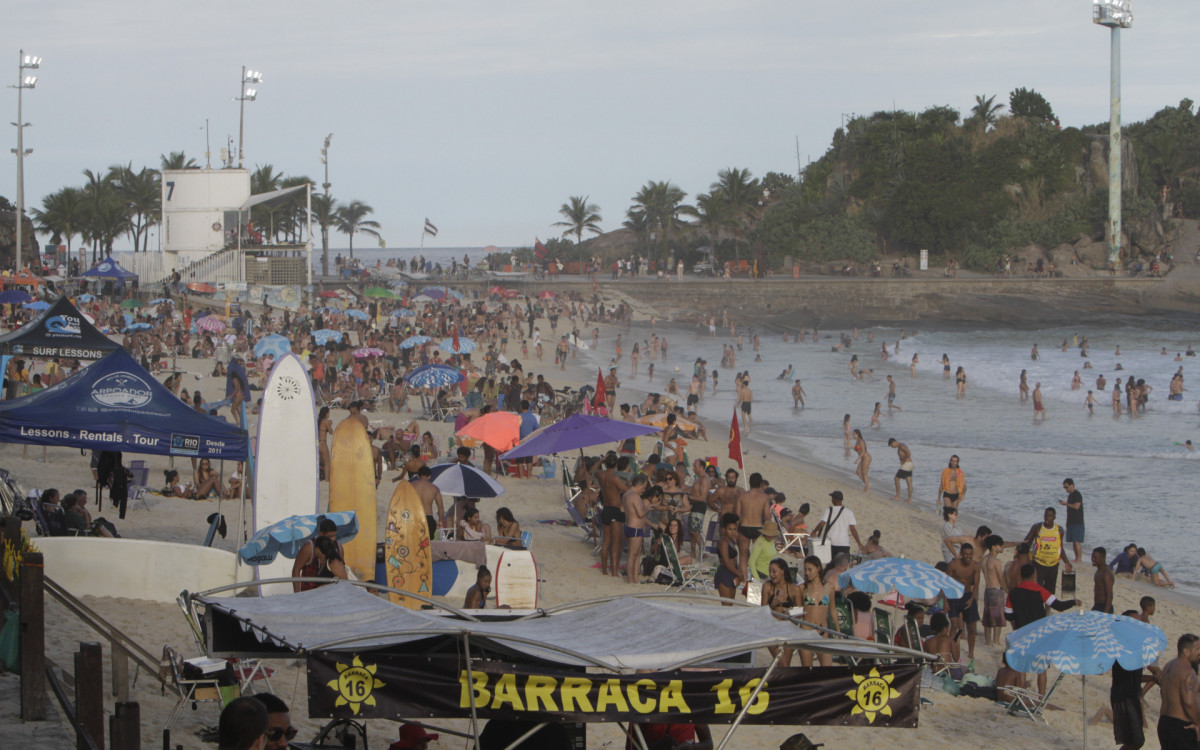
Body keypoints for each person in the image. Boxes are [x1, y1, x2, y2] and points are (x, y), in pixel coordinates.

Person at [1004, 563, 1080, 695]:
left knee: (1022, 666)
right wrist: (1074, 602)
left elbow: (1008, 614)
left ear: (1021, 575)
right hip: (1039, 634)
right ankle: (1041, 697)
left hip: (1022, 632)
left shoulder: (1013, 592)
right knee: (1042, 668)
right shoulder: (1039, 590)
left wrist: (1016, 622)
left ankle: (1020, 694)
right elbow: (1059, 606)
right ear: (1034, 575)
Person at [1157, 634, 1200, 750]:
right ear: (1186, 651)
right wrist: (1198, 723)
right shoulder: (1187, 672)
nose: (1199, 653)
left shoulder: (1168, 666)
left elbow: (1163, 692)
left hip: (1164, 722)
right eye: (1197, 650)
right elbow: (1189, 703)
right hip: (1181, 726)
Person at [761, 557, 803, 666]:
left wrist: (790, 613)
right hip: (771, 631)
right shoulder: (768, 587)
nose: (771, 574)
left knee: (785, 666)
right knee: (782, 664)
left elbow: (800, 613)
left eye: (774, 571)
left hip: (788, 631)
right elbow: (762, 613)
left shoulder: (794, 589)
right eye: (770, 571)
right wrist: (773, 605)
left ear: (783, 571)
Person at [1023, 507, 1073, 595]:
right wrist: (1027, 558)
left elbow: (1060, 548)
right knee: (1037, 589)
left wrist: (1066, 562)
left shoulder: (1059, 530)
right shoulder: (1037, 527)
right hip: (1039, 563)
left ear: (1054, 517)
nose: (1047, 518)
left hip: (1053, 564)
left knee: (1050, 591)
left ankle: (1048, 608)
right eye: (1045, 516)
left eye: (1050, 516)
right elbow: (1027, 543)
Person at [946, 542, 981, 660]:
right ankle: (950, 648)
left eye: (970, 554)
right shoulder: (954, 564)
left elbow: (976, 585)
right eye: (965, 554)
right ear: (961, 553)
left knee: (972, 628)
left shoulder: (976, 566)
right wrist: (945, 601)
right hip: (954, 596)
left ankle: (971, 652)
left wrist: (971, 600)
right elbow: (946, 583)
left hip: (967, 595)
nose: (968, 556)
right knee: (954, 625)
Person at [734, 473, 771, 582]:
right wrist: (770, 531)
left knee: (743, 555)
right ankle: (756, 578)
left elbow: (737, 516)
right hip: (758, 528)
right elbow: (767, 516)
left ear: (749, 482)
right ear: (760, 484)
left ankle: (744, 579)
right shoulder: (764, 497)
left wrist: (735, 530)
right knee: (758, 556)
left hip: (744, 527)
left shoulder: (742, 496)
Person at [798, 555, 833, 667]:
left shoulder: (829, 587)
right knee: (808, 670)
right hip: (806, 632)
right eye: (806, 569)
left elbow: (833, 611)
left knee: (827, 669)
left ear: (818, 568)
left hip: (823, 632)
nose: (807, 573)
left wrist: (838, 632)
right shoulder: (802, 588)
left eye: (810, 569)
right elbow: (798, 611)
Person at [292, 518, 343, 592]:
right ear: (321, 534)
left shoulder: (338, 547)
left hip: (331, 596)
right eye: (330, 536)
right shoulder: (309, 547)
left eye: (334, 535)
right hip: (310, 596)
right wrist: (297, 595)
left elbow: (343, 575)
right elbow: (296, 570)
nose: (333, 539)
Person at [810, 490, 864, 558]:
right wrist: (859, 543)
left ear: (834, 499)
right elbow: (853, 530)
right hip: (844, 544)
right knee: (842, 565)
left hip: (831, 543)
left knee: (831, 564)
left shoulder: (829, 510)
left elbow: (822, 523)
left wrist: (814, 531)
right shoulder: (849, 512)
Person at [623, 475, 652, 584]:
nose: (644, 490)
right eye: (643, 487)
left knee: (636, 554)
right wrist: (647, 508)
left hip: (631, 525)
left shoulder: (626, 494)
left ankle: (635, 577)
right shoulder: (634, 496)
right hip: (634, 527)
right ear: (639, 485)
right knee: (633, 555)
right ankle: (631, 579)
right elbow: (640, 514)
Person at [980, 534, 1007, 647]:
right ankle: (995, 641)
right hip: (996, 590)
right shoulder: (996, 561)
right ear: (994, 546)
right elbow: (1000, 577)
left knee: (987, 617)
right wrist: (1006, 589)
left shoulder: (984, 559)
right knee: (997, 618)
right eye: (1000, 545)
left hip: (987, 589)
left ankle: (987, 641)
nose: (1002, 547)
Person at [409, 466, 445, 540]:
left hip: (415, 516)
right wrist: (440, 519)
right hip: (428, 517)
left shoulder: (411, 485)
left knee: (414, 542)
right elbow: (440, 506)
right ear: (429, 476)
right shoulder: (434, 488)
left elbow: (405, 501)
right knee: (428, 543)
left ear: (418, 476)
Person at [713, 513, 741, 604]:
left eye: (734, 529)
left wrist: (737, 575)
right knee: (727, 605)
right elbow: (727, 562)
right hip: (724, 573)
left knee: (730, 604)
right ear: (724, 529)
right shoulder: (723, 542)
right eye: (729, 529)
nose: (732, 532)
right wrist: (739, 574)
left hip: (732, 573)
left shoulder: (731, 541)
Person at [1059, 478, 1084, 562]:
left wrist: (1066, 504)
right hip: (1071, 521)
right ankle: (1077, 557)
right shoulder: (1070, 496)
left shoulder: (1077, 494)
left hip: (1078, 521)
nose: (1066, 489)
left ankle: (1079, 558)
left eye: (1067, 487)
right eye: (1064, 488)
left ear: (1072, 485)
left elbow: (1077, 507)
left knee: (1076, 541)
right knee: (1073, 541)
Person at [887, 438, 913, 502]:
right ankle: (910, 499)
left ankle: (898, 496)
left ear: (894, 442)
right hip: (909, 464)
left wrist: (903, 460)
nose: (892, 447)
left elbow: (908, 453)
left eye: (892, 446)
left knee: (896, 478)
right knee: (909, 482)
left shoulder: (901, 446)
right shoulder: (901, 445)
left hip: (906, 464)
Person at [1092, 546, 1114, 614]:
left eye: (1095, 558)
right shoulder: (1098, 571)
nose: (1092, 559)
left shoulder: (1106, 574)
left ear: (1103, 558)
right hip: (1097, 605)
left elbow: (1109, 596)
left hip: (1104, 607)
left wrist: (1106, 613)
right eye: (1092, 557)